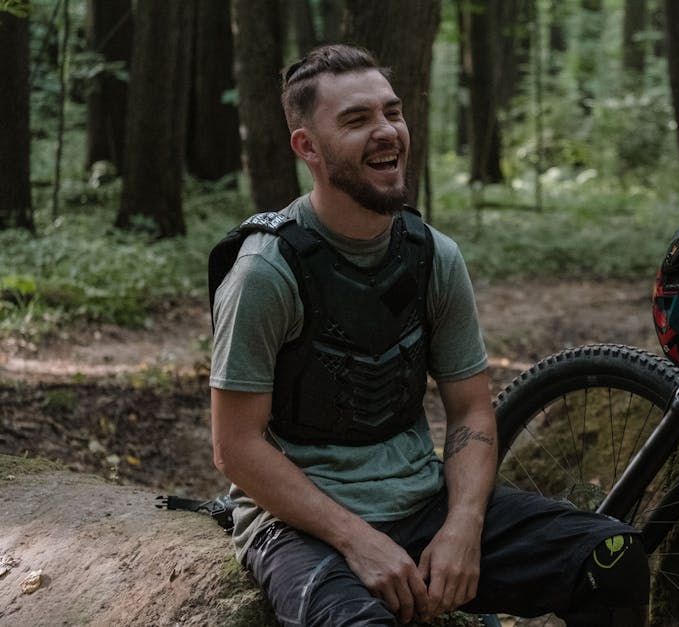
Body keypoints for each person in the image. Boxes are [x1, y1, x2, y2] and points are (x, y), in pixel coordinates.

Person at [208, 44, 649, 626]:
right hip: (300, 529)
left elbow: (470, 409)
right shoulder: (267, 271)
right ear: (307, 148)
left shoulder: (434, 257)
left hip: (425, 503)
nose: (387, 131)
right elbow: (235, 446)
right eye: (357, 120)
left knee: (613, 558)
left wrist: (463, 526)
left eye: (392, 112)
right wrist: (358, 540)